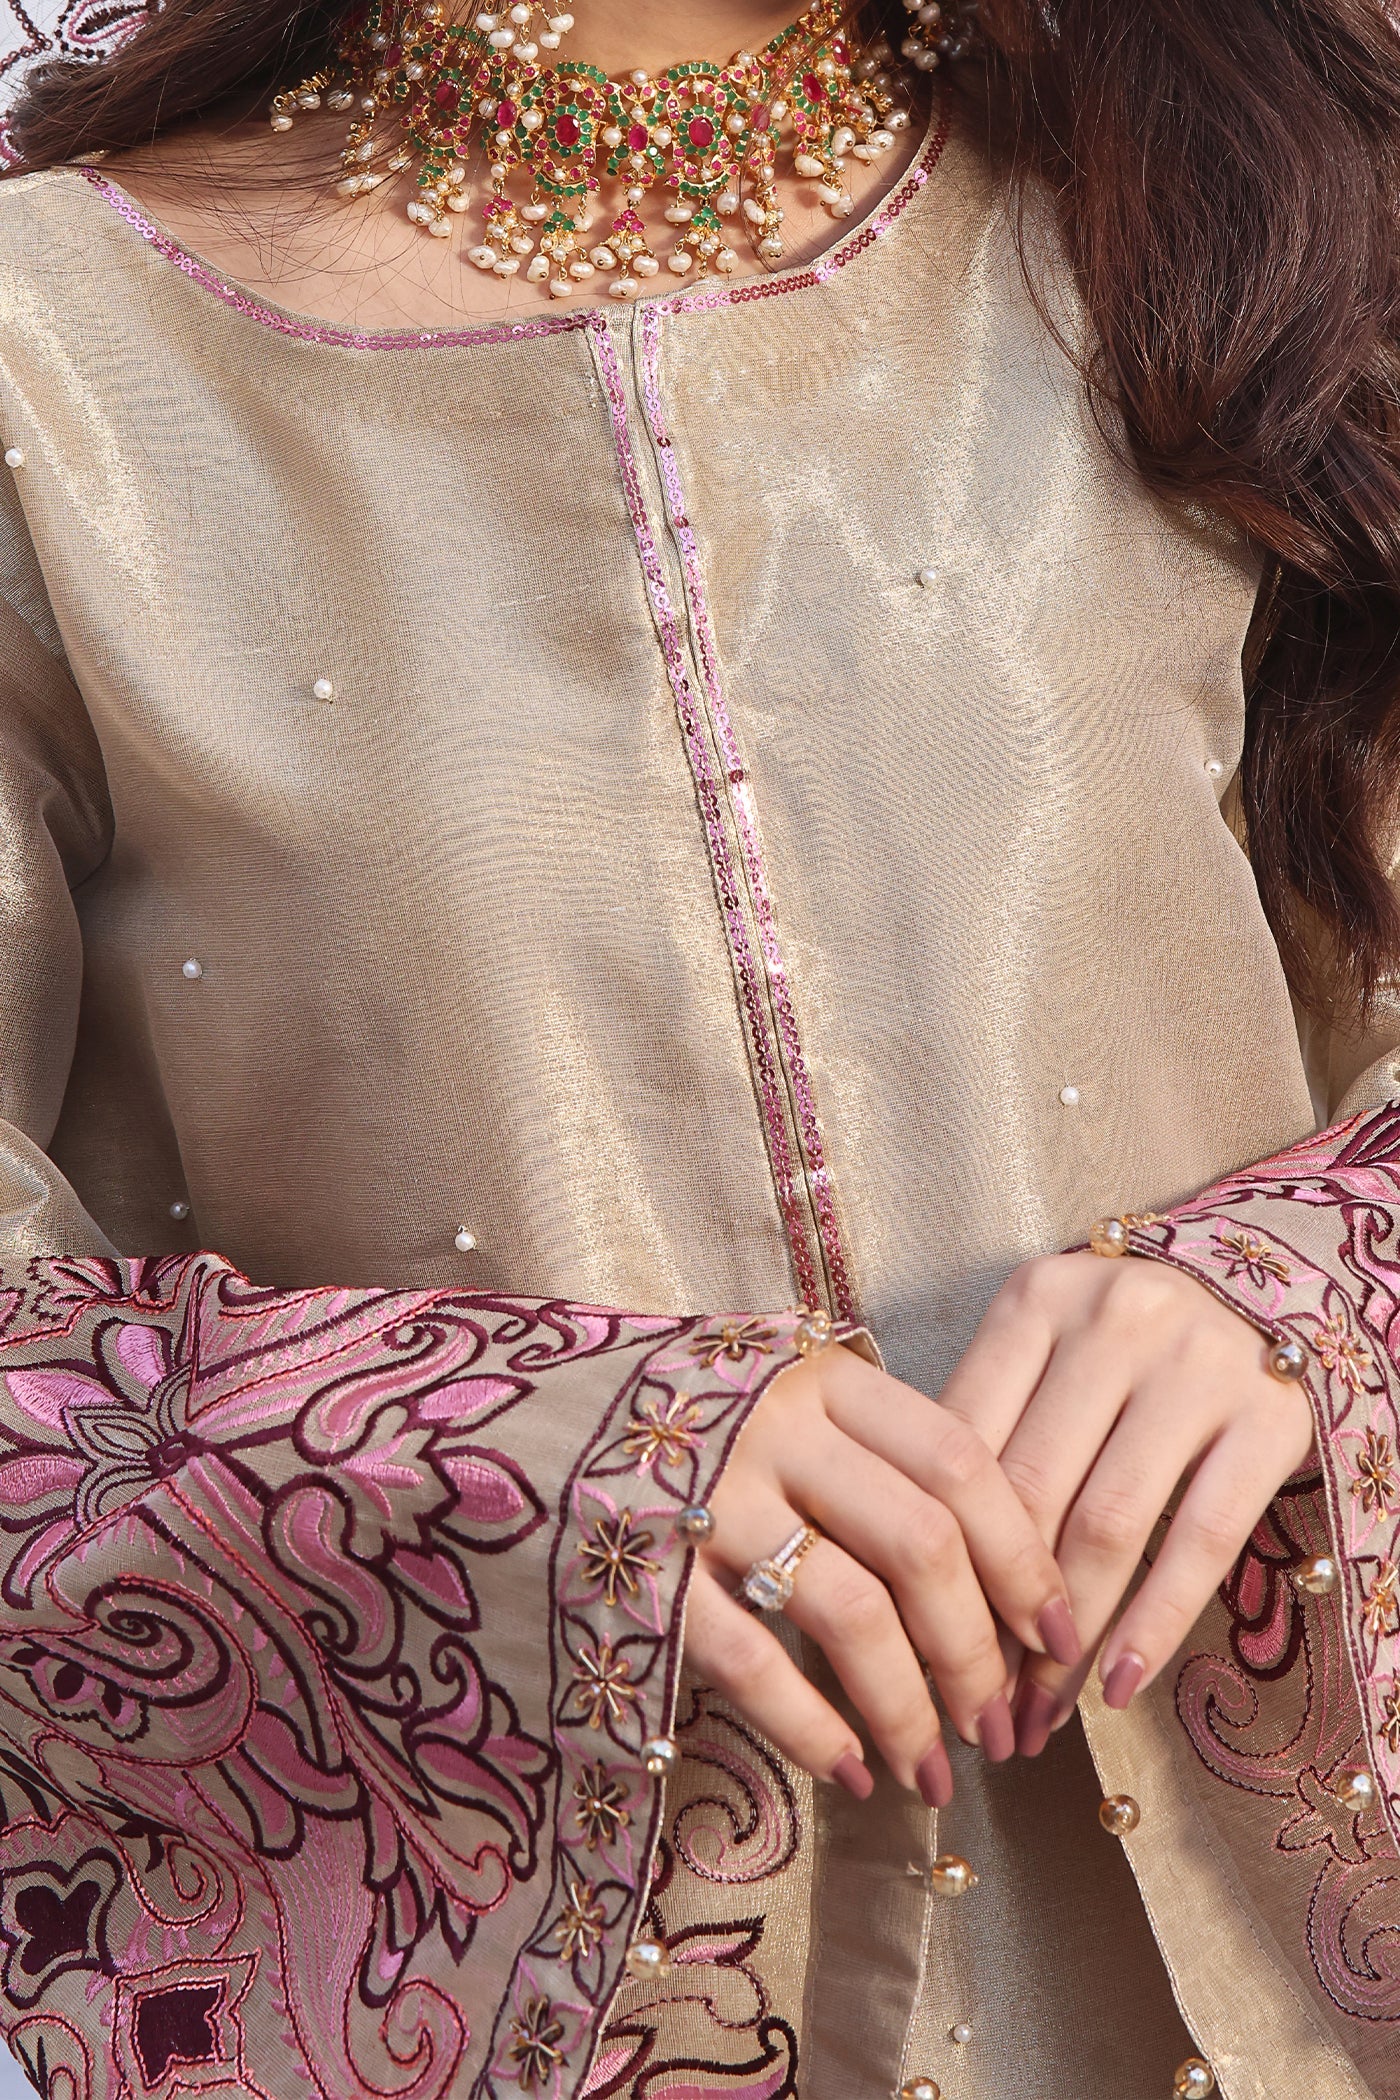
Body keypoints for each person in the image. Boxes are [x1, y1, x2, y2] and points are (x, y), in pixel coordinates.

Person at [0, 0, 1394, 2090]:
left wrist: (1303, 1287)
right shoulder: (55, 364)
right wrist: (523, 1460)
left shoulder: (1247, 219)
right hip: (549, 1985)